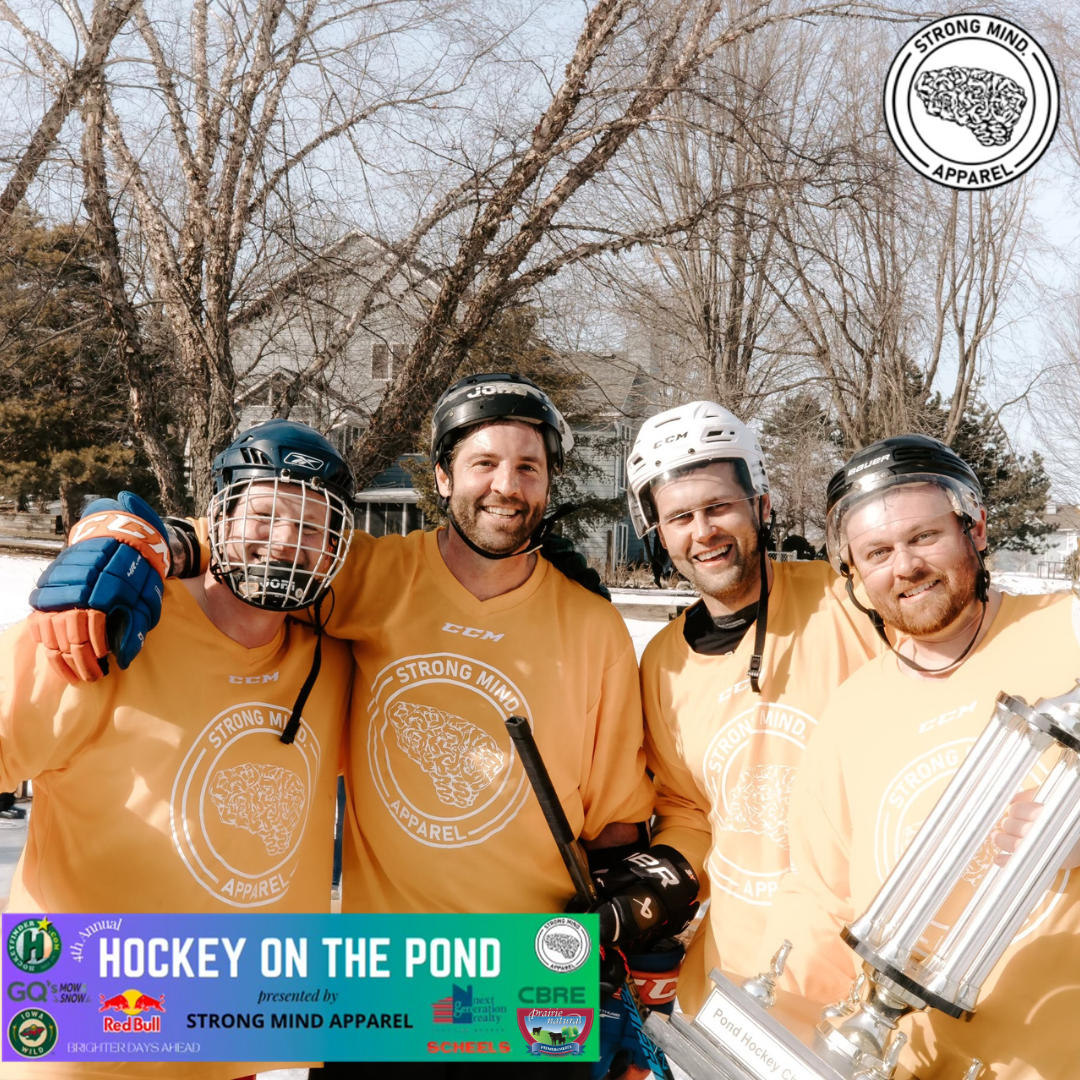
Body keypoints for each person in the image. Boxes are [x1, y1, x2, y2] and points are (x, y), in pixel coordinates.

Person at [27, 375, 694, 1079]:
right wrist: (123, 535)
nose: (508, 485)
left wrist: (629, 962)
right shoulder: (372, 573)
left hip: (531, 976)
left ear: (549, 482)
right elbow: (259, 542)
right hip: (380, 981)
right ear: (442, 477)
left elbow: (618, 822)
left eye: (528, 467)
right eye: (485, 464)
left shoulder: (593, 626)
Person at [3, 419, 356, 1080]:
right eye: (265, 513)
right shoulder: (107, 622)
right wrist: (116, 530)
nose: (285, 542)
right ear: (216, 517)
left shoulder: (336, 662)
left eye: (312, 528)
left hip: (233, 1045)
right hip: (83, 1042)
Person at [769, 434, 1080, 1080]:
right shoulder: (850, 713)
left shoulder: (1066, 629)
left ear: (976, 529)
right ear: (852, 571)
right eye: (877, 552)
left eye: (924, 538)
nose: (904, 566)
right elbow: (822, 906)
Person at [624, 401, 882, 1013]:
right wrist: (660, 880)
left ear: (760, 506)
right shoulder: (662, 662)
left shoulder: (852, 602)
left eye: (719, 507)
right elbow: (689, 810)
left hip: (864, 980)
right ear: (658, 534)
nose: (703, 531)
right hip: (733, 982)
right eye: (680, 516)